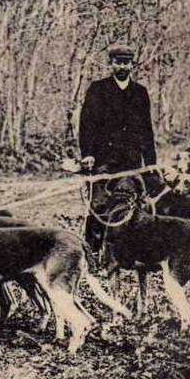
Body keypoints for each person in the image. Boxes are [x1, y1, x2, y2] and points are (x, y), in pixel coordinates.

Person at [77, 42, 157, 253]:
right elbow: (86, 125)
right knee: (98, 205)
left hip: (131, 160)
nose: (122, 67)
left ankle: (127, 252)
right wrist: (88, 155)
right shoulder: (98, 89)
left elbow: (147, 131)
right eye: (117, 63)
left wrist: (150, 164)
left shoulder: (140, 92)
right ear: (110, 64)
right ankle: (92, 252)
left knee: (132, 203)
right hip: (103, 159)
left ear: (132, 65)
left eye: (126, 63)